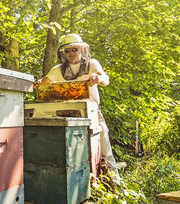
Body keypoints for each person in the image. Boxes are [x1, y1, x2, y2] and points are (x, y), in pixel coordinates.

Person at [35, 33, 121, 185]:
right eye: (67, 51)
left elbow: (105, 79)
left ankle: (118, 189)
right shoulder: (57, 69)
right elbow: (43, 83)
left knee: (106, 154)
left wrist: (97, 78)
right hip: (69, 118)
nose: (71, 54)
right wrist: (37, 83)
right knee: (74, 157)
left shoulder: (92, 64)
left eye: (74, 49)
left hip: (93, 115)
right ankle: (84, 188)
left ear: (81, 49)